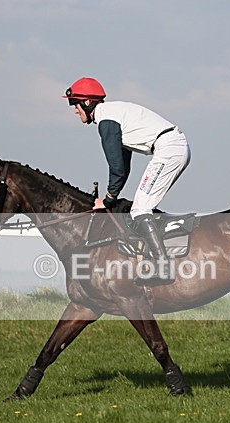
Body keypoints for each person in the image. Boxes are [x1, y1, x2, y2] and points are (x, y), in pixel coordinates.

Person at [64, 77, 190, 286]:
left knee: (140, 210)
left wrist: (108, 199)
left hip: (168, 149)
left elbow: (117, 168)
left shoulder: (106, 122)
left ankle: (162, 266)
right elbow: (123, 166)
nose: (74, 111)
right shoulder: (112, 115)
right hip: (172, 146)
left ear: (87, 102)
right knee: (143, 207)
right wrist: (111, 197)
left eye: (74, 104)